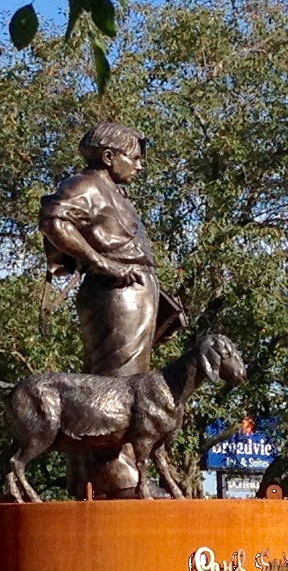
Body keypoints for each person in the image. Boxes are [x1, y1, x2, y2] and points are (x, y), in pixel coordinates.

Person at [40, 122, 185, 498]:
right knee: (119, 385)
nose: (139, 166)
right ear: (108, 156)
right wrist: (102, 264)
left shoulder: (114, 193)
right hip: (114, 293)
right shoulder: (85, 186)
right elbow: (55, 221)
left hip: (134, 293)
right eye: (133, 158)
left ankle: (107, 476)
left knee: (131, 379)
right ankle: (117, 479)